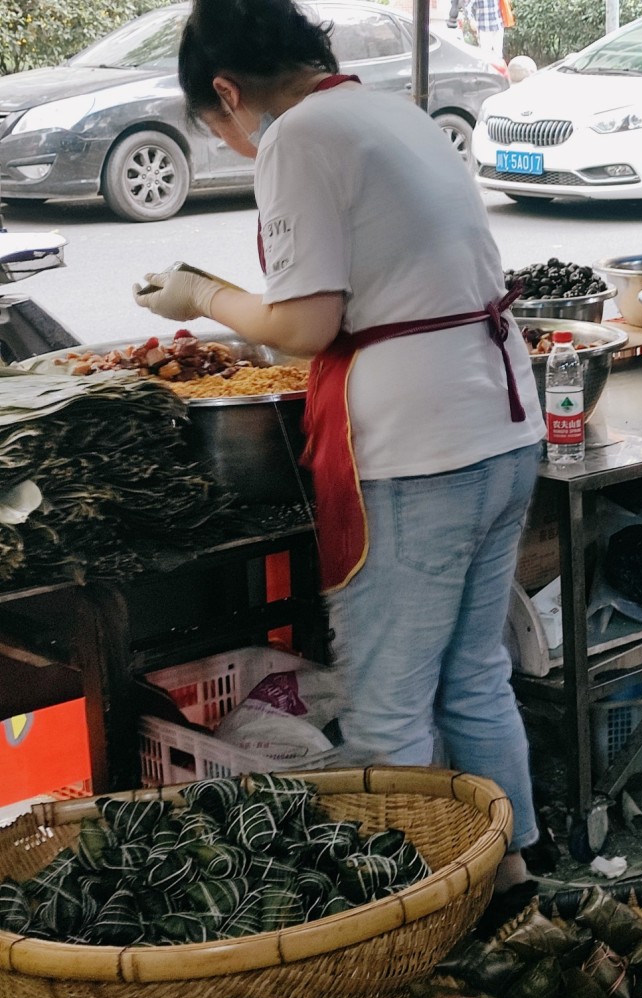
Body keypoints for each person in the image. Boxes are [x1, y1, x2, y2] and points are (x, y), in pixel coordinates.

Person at [134, 0, 545, 898]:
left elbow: (307, 326)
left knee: (390, 701)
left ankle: (404, 910)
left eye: (221, 130)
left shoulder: (298, 136)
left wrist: (200, 292)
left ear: (228, 92)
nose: (238, 145)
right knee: (475, 673)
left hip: (417, 448)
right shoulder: (390, 110)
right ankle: (507, 877)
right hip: (503, 423)